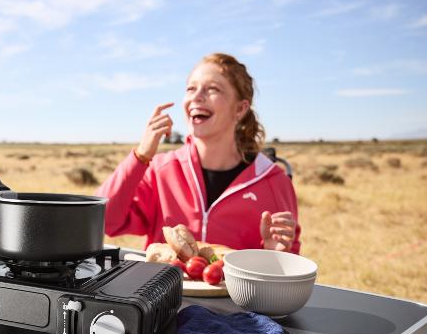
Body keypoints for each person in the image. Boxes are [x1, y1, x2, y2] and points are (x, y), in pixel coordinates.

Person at [96, 52, 300, 254]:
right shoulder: (161, 171)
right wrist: (140, 156)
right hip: (163, 287)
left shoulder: (274, 181)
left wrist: (277, 255)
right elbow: (103, 221)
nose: (196, 96)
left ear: (240, 109)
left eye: (213, 89)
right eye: (191, 88)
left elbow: (288, 267)